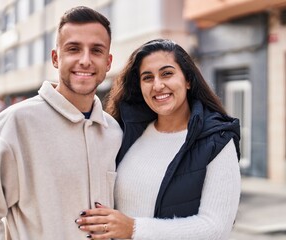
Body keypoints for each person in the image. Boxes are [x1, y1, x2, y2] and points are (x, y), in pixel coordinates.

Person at [0, 6, 122, 239]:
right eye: (73, 49)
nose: (85, 60)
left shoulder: (114, 132)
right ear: (55, 58)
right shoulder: (15, 124)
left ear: (108, 62)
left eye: (96, 50)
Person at [75, 39, 241, 239]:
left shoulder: (217, 140)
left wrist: (133, 229)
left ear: (187, 80)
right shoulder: (125, 132)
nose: (158, 85)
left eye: (167, 73)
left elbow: (215, 227)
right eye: (147, 78)